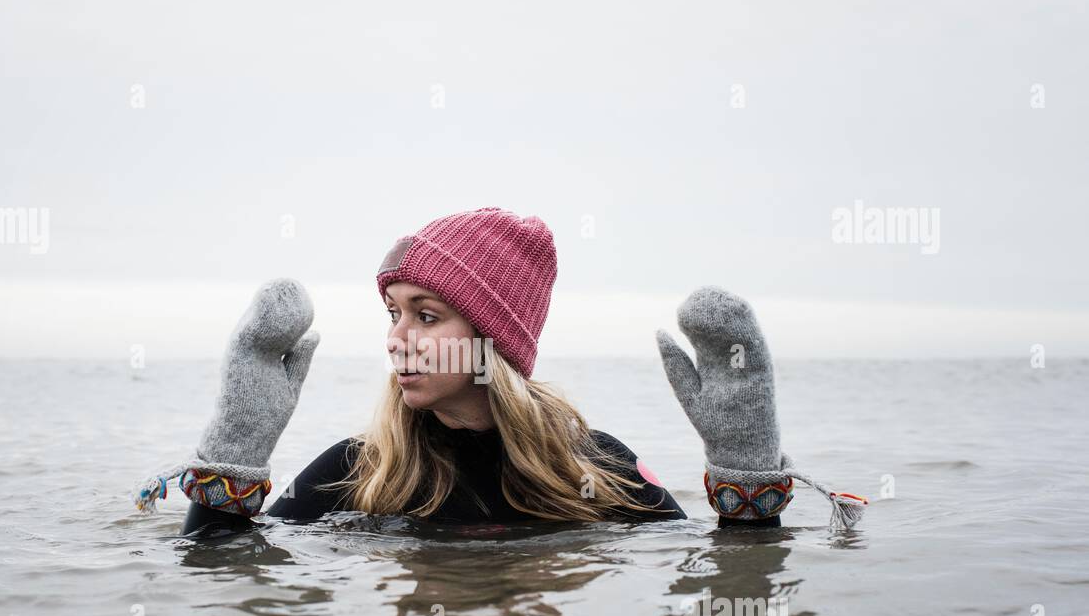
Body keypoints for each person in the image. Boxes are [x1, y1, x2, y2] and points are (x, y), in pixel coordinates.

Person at [134, 207, 866, 537]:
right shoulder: (352, 471)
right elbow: (217, 574)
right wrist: (236, 449)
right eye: (392, 312)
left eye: (426, 315)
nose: (397, 339)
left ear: (491, 342)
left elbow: (734, 581)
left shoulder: (598, 467)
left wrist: (746, 477)